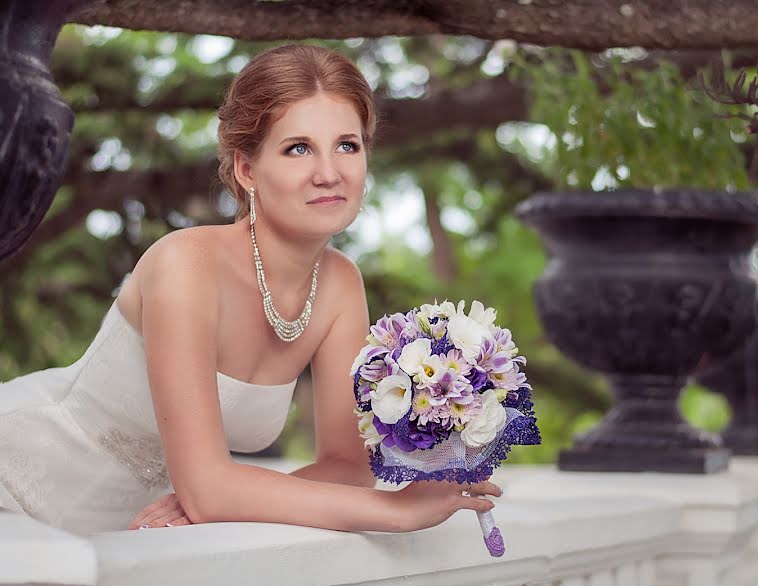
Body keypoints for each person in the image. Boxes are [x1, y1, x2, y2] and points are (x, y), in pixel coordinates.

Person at [0, 44, 500, 536]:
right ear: (246, 169)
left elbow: (348, 466)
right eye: (298, 148)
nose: (329, 173)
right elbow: (210, 493)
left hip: (145, 526)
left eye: (347, 145)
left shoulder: (340, 284)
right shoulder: (185, 264)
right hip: (22, 484)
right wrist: (397, 512)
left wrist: (229, 495)